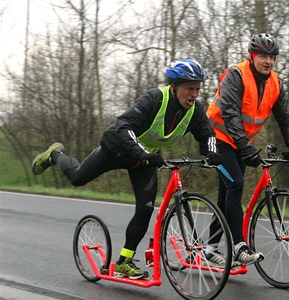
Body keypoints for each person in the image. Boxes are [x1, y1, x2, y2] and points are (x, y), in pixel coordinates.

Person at [31, 59, 222, 280]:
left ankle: (124, 261)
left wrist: (211, 152)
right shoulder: (155, 98)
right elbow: (122, 126)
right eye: (189, 88)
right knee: (77, 178)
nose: (194, 94)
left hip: (144, 159)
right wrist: (143, 154)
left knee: (145, 208)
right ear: (174, 86)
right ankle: (55, 155)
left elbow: (207, 134)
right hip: (116, 149)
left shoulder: (194, 111)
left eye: (198, 89)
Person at [205, 33, 289, 267]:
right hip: (217, 138)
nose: (268, 61)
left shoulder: (275, 83)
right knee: (236, 185)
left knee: (226, 196)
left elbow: (286, 119)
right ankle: (239, 246)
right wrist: (245, 147)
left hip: (240, 141)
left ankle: (209, 249)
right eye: (263, 55)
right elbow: (230, 114)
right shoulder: (237, 74)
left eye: (272, 57)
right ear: (252, 56)